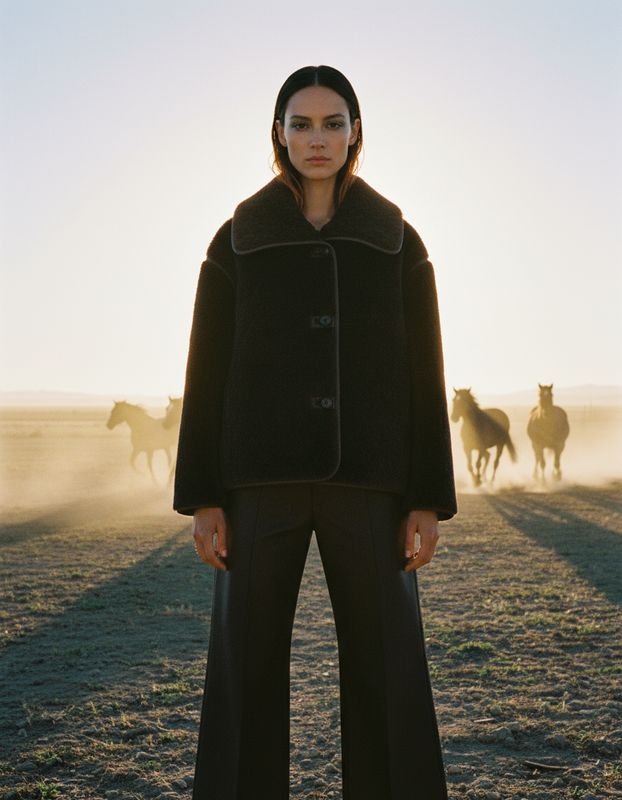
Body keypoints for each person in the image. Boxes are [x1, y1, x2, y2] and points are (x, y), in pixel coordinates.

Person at [173, 64, 458, 800]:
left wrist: (427, 495)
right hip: (254, 483)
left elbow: (427, 372)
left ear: (356, 132)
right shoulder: (238, 237)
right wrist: (203, 495)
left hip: (373, 484)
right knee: (247, 670)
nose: (317, 138)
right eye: (301, 123)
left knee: (386, 669)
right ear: (279, 134)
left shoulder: (397, 238)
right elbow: (205, 371)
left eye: (333, 123)